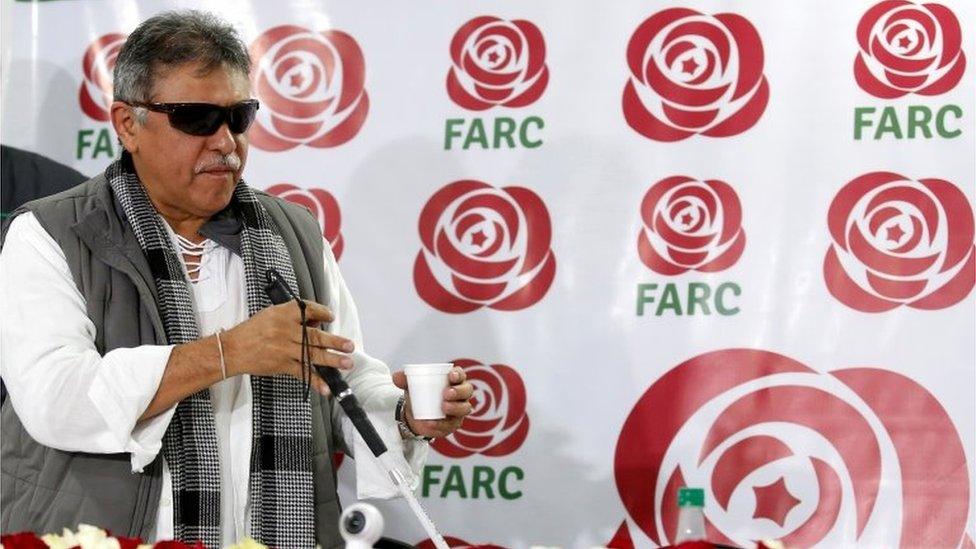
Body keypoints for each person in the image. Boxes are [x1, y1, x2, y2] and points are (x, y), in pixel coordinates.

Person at [0, 10, 472, 548]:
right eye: (197, 118)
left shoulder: (293, 231)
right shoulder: (49, 232)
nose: (225, 142)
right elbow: (56, 400)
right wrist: (227, 354)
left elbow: (343, 379)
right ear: (128, 124)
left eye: (239, 116)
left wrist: (406, 416)